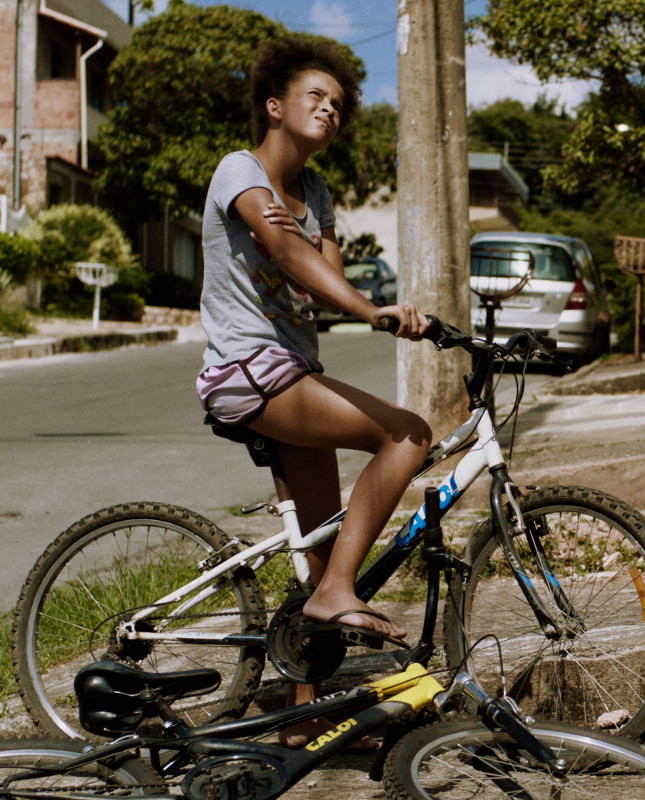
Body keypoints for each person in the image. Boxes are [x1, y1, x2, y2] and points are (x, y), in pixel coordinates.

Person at [195, 36, 433, 747]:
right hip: (247, 370)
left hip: (294, 372)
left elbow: (324, 278)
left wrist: (379, 307)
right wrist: (371, 311)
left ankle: (306, 716)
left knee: (326, 548)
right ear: (275, 106)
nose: (330, 109)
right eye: (315, 97)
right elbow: (284, 250)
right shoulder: (239, 170)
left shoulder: (318, 192)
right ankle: (335, 595)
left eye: (337, 104)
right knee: (407, 434)